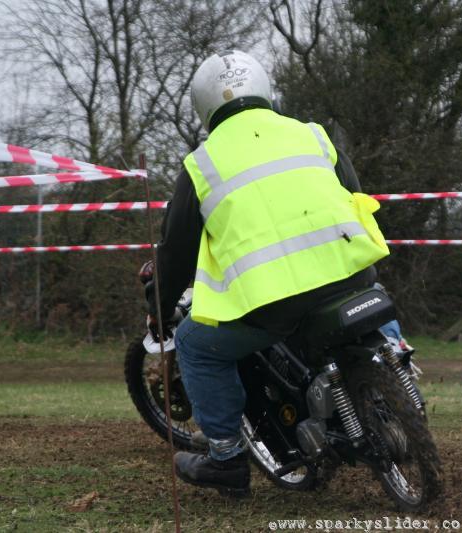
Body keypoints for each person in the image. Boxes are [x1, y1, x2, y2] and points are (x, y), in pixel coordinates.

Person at [146, 50, 389, 497]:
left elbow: (177, 255)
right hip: (355, 276)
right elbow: (354, 195)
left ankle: (225, 459)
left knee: (194, 345)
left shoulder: (202, 165)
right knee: (375, 300)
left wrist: (159, 311)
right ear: (264, 88)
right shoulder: (313, 135)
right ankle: (398, 361)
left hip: (275, 302)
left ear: (204, 107)